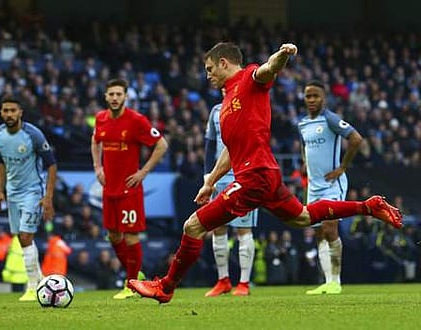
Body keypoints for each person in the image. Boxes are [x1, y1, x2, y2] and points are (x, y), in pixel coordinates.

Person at [128, 42, 402, 304]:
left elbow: (269, 68)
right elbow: (230, 151)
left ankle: (165, 287)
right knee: (303, 218)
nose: (207, 75)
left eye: (210, 68)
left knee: (193, 226)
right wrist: (210, 182)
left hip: (254, 176)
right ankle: (369, 206)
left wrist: (283, 53)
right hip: (264, 174)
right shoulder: (226, 104)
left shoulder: (249, 78)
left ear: (224, 63)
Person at [91, 78, 168, 299]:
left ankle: (131, 285)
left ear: (126, 96)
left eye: (119, 94)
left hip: (129, 188)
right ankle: (135, 275)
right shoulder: (100, 118)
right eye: (111, 94)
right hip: (109, 188)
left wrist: (143, 172)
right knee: (114, 236)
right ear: (105, 96)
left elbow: (161, 145)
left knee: (132, 237)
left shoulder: (136, 120)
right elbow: (95, 140)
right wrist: (97, 166)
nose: (115, 98)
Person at [299, 80, 363, 295]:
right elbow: (305, 147)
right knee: (319, 233)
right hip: (314, 187)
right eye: (308, 96)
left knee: (330, 228)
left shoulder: (331, 119)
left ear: (323, 98)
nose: (311, 100)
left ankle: (336, 281)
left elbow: (355, 138)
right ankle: (327, 281)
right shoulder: (302, 124)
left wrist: (342, 167)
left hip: (331, 185)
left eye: (315, 96)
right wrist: (305, 164)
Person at [0, 96, 57, 301]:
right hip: (12, 192)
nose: (9, 114)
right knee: (21, 239)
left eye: (13, 110)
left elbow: (51, 165)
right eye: (5, 110)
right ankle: (40, 280)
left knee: (26, 236)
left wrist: (48, 198)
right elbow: (1, 162)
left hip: (33, 191)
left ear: (21, 113)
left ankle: (31, 287)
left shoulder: (33, 135)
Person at [204, 94, 257, 297]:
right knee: (217, 227)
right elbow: (210, 145)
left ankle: (244, 283)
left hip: (244, 174)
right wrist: (207, 176)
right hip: (220, 177)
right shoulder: (216, 111)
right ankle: (223, 280)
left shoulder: (250, 108)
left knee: (243, 229)